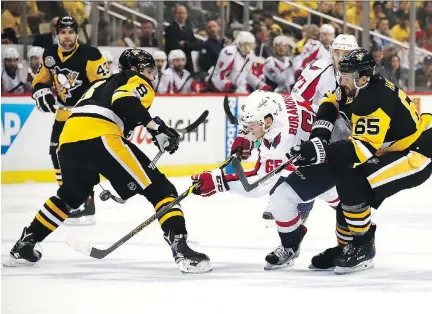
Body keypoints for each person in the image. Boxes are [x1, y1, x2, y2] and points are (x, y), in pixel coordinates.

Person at [4, 48, 211, 274]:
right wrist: (157, 128)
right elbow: (123, 101)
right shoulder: (136, 80)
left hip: (68, 141)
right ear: (135, 69)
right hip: (100, 137)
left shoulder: (99, 83)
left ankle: (25, 244)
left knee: (70, 196)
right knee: (161, 190)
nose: (153, 76)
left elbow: (116, 108)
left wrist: (155, 131)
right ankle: (182, 249)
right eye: (150, 70)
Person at [292, 49, 432, 274]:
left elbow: (362, 149)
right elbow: (329, 103)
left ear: (363, 77)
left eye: (345, 76)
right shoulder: (356, 86)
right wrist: (319, 139)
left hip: (415, 153)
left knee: (354, 183)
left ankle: (363, 247)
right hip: (393, 150)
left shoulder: (373, 100)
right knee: (348, 195)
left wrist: (320, 151)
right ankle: (346, 247)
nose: (341, 81)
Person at [191, 91, 339, 270]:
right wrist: (247, 137)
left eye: (251, 125)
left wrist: (218, 181)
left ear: (268, 122)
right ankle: (290, 244)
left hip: (336, 160)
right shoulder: (273, 102)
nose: (248, 127)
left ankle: (359, 242)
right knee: (281, 199)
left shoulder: (282, 141)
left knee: (340, 199)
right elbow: (257, 118)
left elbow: (257, 184)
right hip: (325, 144)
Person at [31, 16, 110, 225]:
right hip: (64, 113)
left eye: (71, 32)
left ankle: (87, 200)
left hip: (86, 115)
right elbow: (40, 81)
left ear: (77, 34)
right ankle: (67, 197)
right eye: (63, 32)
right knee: (56, 153)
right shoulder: (49, 55)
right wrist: (41, 92)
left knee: (83, 158)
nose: (67, 36)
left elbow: (104, 86)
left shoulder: (90, 54)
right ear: (57, 34)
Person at [292, 34, 358, 108]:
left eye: (346, 54)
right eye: (337, 53)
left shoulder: (363, 73)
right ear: (332, 53)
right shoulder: (317, 70)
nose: (341, 59)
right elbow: (296, 101)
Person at [165, 4, 200, 73]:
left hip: (187, 63)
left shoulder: (188, 29)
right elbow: (171, 45)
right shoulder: (170, 28)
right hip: (175, 63)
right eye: (179, 13)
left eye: (184, 13)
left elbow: (195, 44)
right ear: (175, 14)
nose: (182, 15)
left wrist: (185, 44)